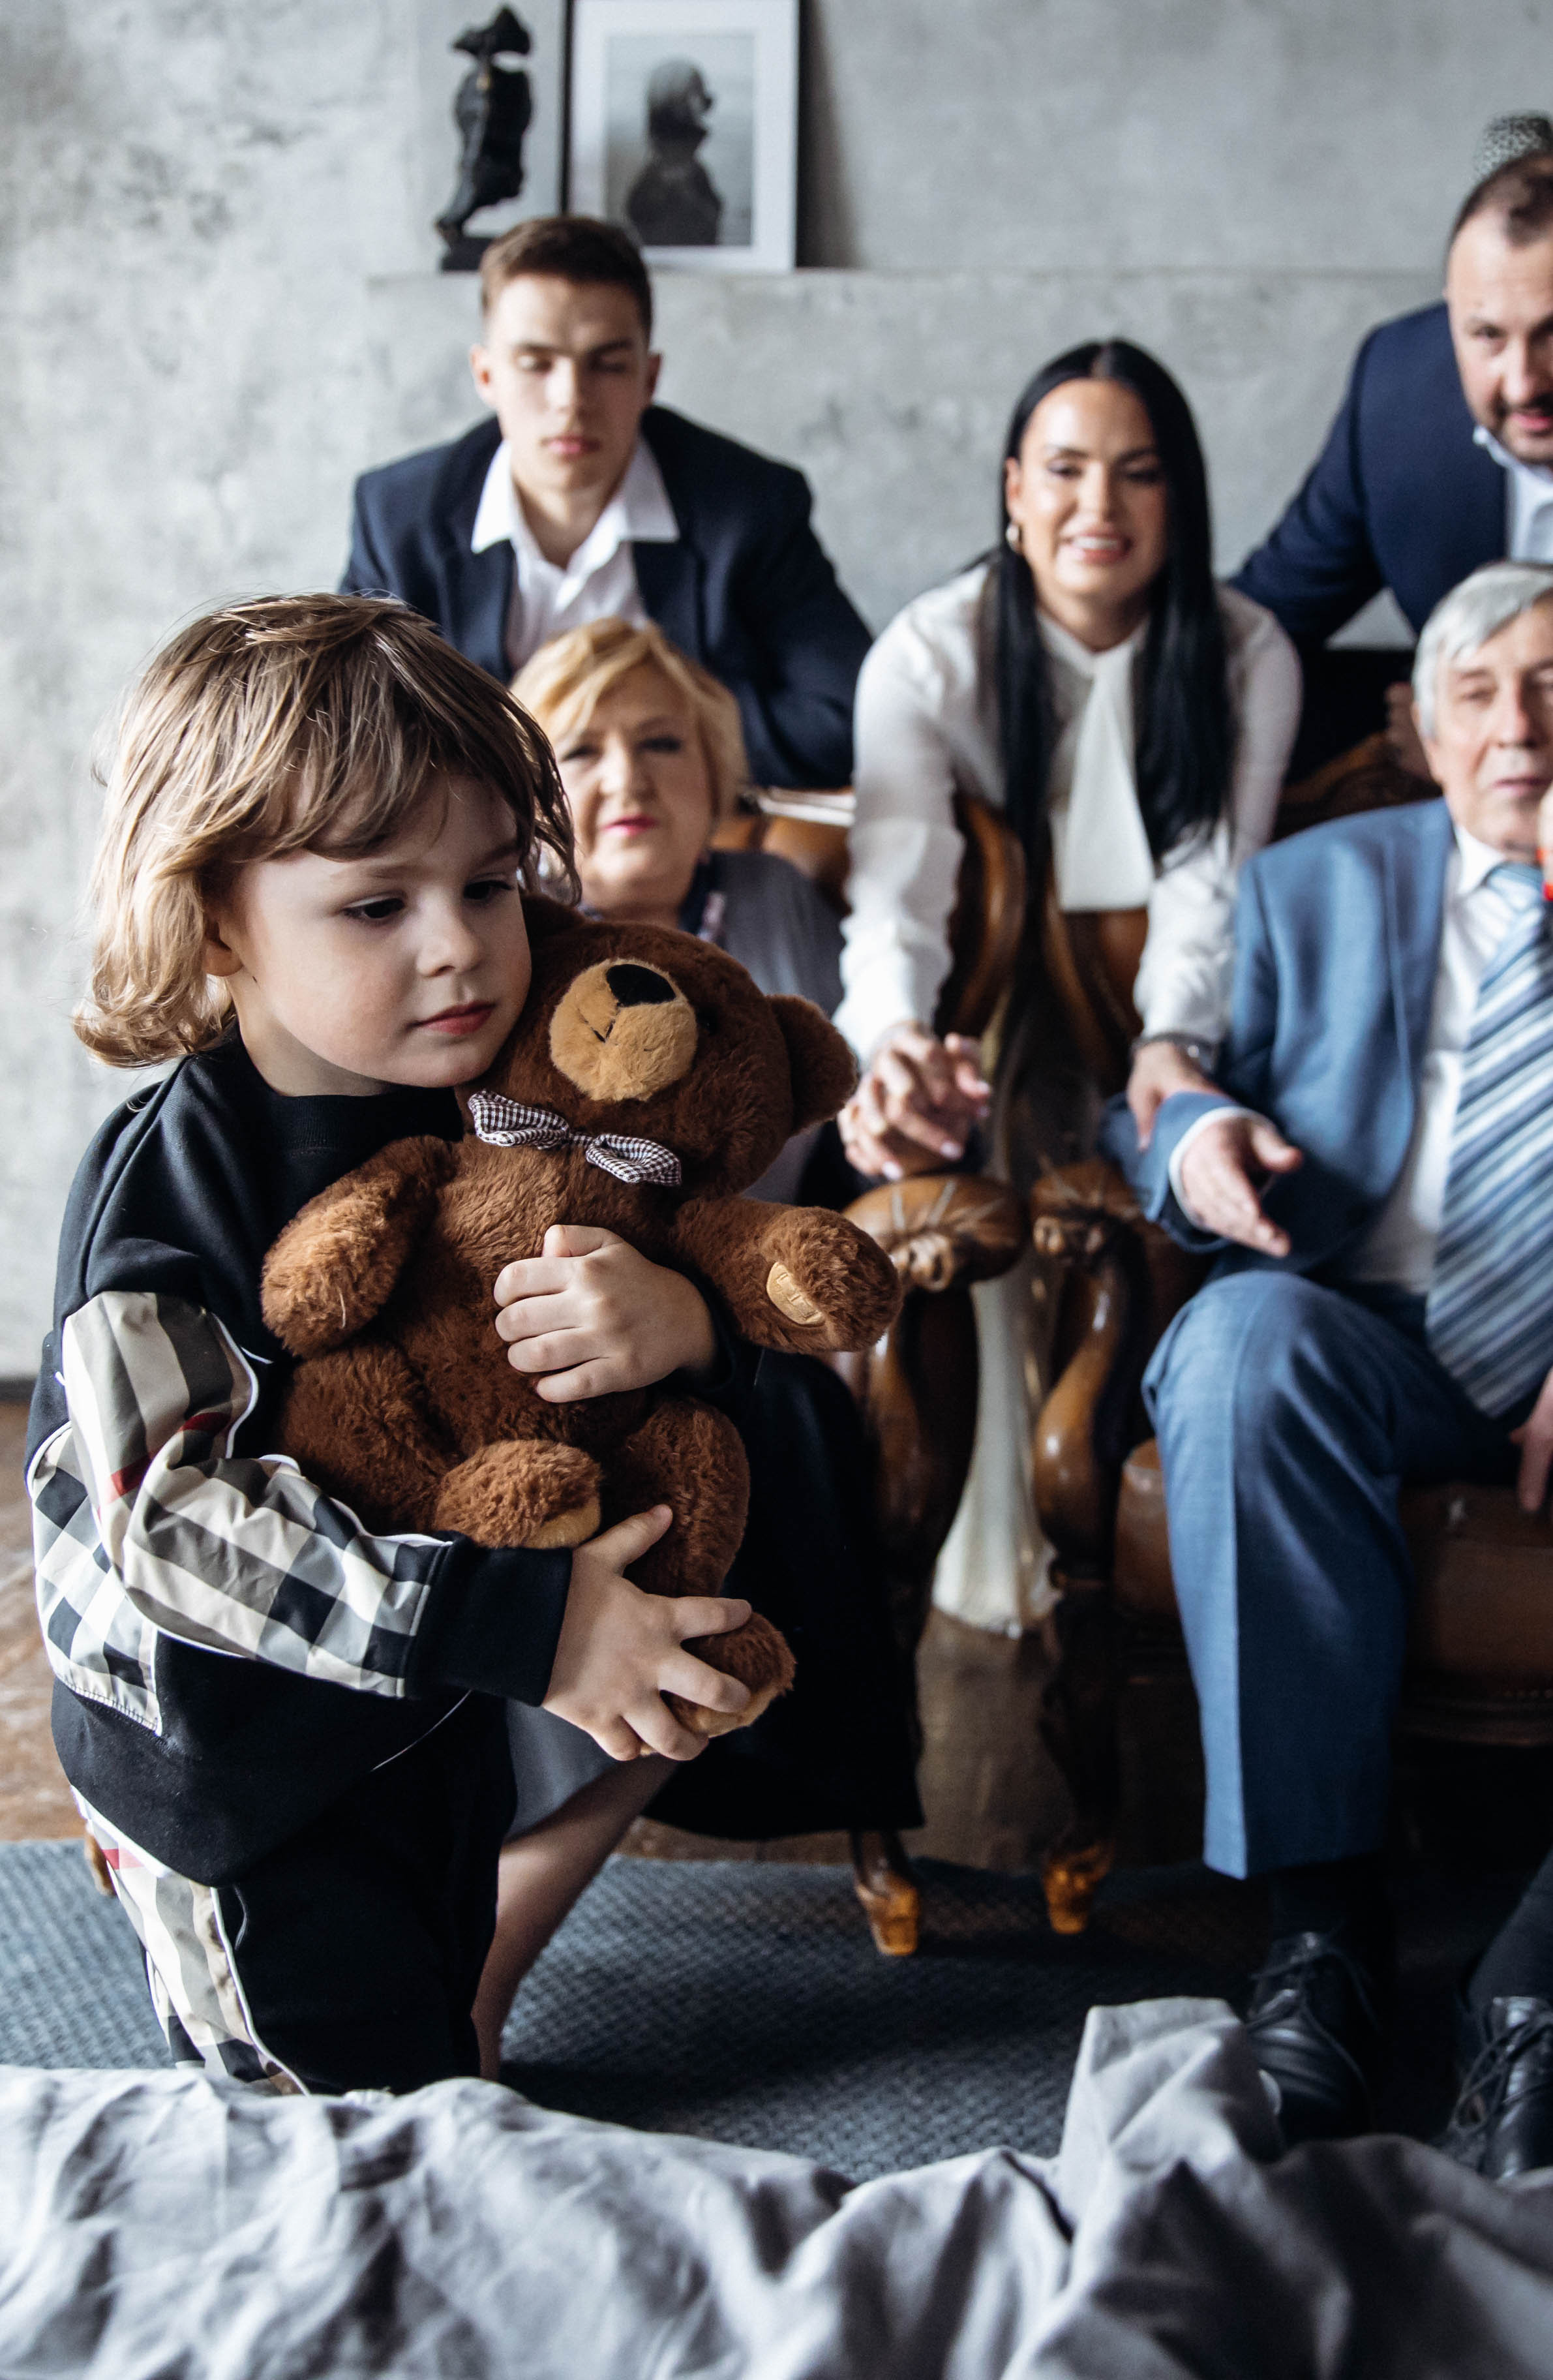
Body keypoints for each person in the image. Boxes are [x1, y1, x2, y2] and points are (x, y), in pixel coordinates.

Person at [27, 592, 761, 2097]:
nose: (462, 951)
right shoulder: (168, 1195)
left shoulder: (482, 1097)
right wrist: (529, 1628)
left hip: (415, 1723)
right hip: (236, 1789)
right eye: (377, 907)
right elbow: (176, 1532)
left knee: (429, 2044)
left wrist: (680, 1319)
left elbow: (678, 1253)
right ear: (216, 915)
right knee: (325, 2132)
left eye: (490, 885)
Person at [1100, 560, 1553, 2172]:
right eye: (1483, 694)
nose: (1523, 727)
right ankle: (1321, 1932)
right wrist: (1200, 1125)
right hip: (1360, 1327)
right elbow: (1150, 1091)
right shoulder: (1312, 885)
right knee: (1238, 1341)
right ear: (1424, 730)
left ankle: (1535, 1986)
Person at [466, 620, 922, 2062]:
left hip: (734, 1349)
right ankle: (447, 1944)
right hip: (518, 1343)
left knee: (718, 1467)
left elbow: (836, 1154)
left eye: (661, 742)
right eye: (585, 748)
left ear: (715, 769)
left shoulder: (779, 910)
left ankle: (469, 1971)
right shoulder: (495, 940)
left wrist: (915, 1118)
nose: (626, 779)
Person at [834, 339, 1300, 1629]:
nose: (1098, 508)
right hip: (979, 1002)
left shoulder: (1246, 651)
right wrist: (887, 1041)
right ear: (1010, 490)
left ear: (1180, 498)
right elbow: (898, 890)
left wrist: (1171, 1043)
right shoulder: (925, 655)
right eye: (1064, 471)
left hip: (1173, 1009)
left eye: (1137, 475)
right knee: (947, 1201)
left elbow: (1215, 871)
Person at [340, 215, 869, 790]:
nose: (571, 400)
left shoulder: (750, 507)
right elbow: (351, 730)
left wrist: (658, 742)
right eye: (536, 364)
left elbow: (843, 720)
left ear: (650, 377)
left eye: (607, 364)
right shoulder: (399, 516)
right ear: (486, 375)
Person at [1235, 123, 1553, 767]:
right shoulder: (1399, 395)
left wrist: (1461, 742)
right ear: (1450, 314)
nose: (1522, 383)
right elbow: (1260, 618)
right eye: (1486, 334)